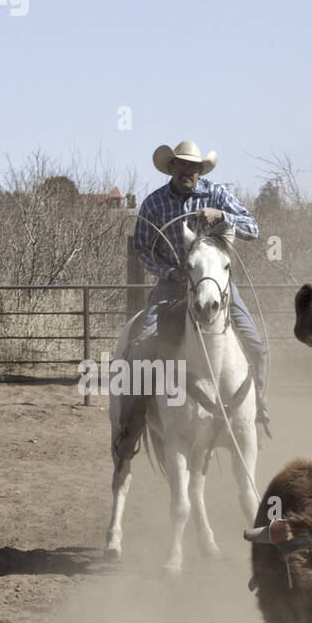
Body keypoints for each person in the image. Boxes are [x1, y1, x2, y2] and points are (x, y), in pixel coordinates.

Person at [117, 140, 269, 459]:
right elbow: (143, 248)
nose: (188, 171)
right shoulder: (155, 203)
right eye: (181, 165)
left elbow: (253, 229)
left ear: (201, 170)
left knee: (255, 343)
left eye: (193, 167)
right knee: (141, 346)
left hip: (214, 283)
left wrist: (221, 215)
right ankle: (131, 425)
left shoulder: (217, 194)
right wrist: (167, 271)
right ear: (171, 167)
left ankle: (257, 411)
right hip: (173, 283)